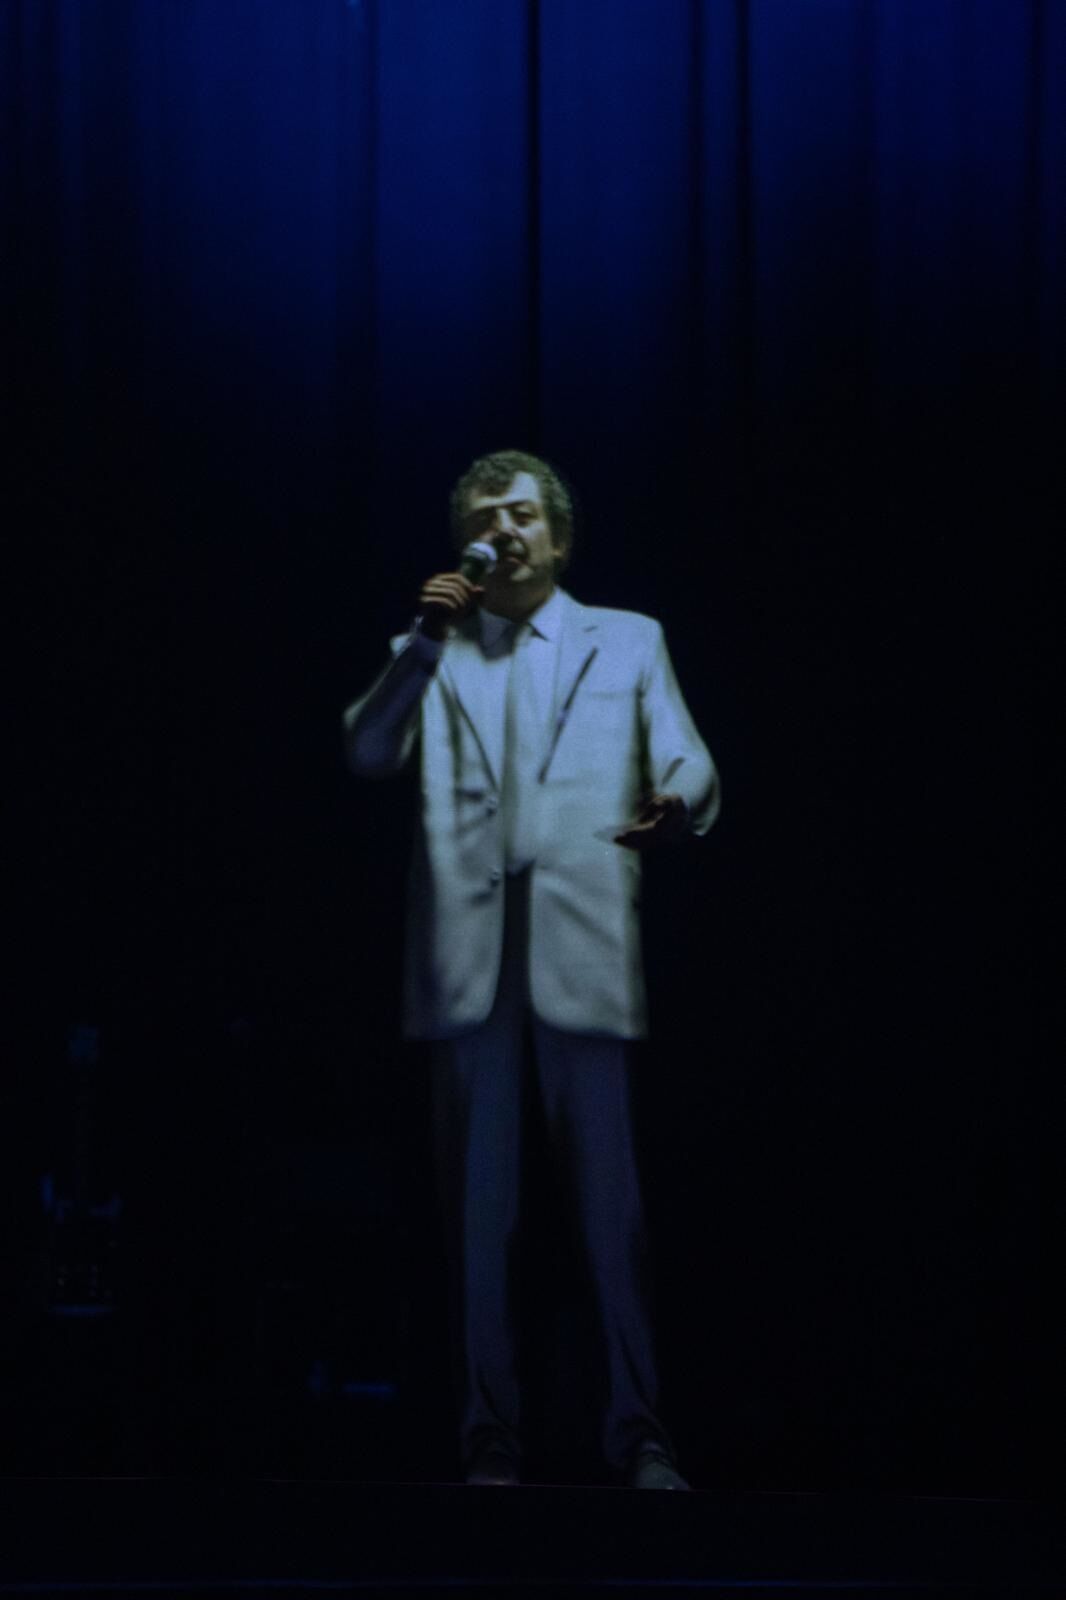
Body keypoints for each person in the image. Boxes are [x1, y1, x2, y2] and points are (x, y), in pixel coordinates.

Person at [342, 449, 719, 1490]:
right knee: (476, 1219)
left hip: (582, 949)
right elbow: (366, 752)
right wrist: (424, 642)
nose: (500, 530)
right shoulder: (427, 649)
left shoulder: (628, 638)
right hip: (466, 962)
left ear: (558, 535)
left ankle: (640, 1434)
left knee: (612, 1214)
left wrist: (677, 801)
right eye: (481, 517)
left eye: (518, 514)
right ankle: (488, 1437)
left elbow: (689, 753)